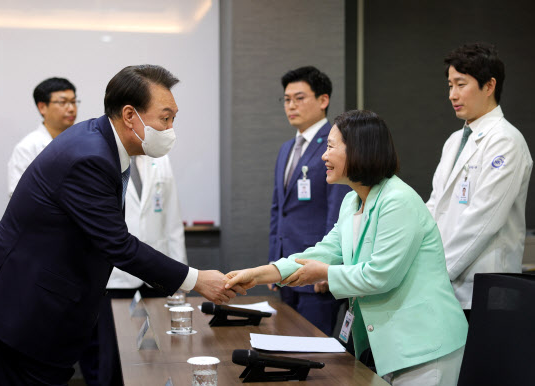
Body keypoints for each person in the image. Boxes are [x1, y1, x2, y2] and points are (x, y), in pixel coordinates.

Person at [0, 64, 243, 385]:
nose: (171, 129)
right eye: (165, 118)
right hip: (22, 308)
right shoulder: (89, 157)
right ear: (129, 115)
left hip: (42, 301)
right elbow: (117, 244)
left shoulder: (101, 143)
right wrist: (195, 279)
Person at [226, 110, 468, 385]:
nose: (323, 156)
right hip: (390, 344)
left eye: (330, 146)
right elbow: (322, 252)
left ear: (358, 150)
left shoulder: (398, 200)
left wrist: (325, 273)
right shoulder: (352, 202)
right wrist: (257, 275)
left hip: (424, 345)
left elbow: (380, 275)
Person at [426, 43, 533, 317]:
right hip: (443, 284)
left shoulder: (506, 141)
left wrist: (438, 273)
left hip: (482, 288)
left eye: (461, 84)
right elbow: (434, 206)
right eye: (450, 85)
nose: (452, 95)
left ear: (489, 86)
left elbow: (483, 221)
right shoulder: (454, 141)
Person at [79, 154, 188, 386]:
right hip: (115, 278)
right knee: (113, 356)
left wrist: (180, 276)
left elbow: (173, 221)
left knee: (160, 355)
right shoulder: (104, 159)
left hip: (157, 276)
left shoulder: (162, 159)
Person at [269, 66, 351, 335]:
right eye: (287, 99)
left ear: (323, 100)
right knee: (287, 345)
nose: (291, 105)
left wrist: (328, 268)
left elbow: (336, 210)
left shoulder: (335, 142)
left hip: (315, 271)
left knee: (315, 353)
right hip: (287, 269)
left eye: (299, 98)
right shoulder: (286, 148)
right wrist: (274, 263)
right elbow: (278, 210)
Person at [8, 77, 78, 196]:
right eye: (63, 102)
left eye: (73, 102)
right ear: (42, 107)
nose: (71, 108)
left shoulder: (83, 141)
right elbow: (19, 195)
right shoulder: (27, 148)